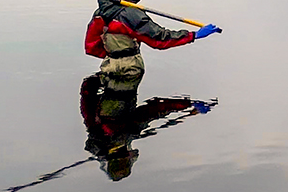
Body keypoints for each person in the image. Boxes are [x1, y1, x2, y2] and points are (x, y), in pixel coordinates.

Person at [83, 0, 219, 87]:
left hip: (108, 65)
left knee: (109, 109)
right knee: (120, 109)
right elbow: (159, 39)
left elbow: (91, 46)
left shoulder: (101, 10)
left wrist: (112, 56)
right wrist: (193, 35)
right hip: (129, 69)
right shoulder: (132, 15)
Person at [79, 75, 213, 181]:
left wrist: (187, 104)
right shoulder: (126, 130)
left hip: (116, 74)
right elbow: (155, 109)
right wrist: (186, 104)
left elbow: (156, 109)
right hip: (121, 75)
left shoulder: (100, 129)